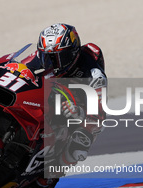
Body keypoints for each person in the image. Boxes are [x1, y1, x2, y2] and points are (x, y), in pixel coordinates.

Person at [27, 23, 107, 167]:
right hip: (46, 96)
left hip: (75, 109)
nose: (51, 62)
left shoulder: (93, 74)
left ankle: (51, 174)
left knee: (80, 143)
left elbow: (99, 115)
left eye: (59, 57)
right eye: (47, 57)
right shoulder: (40, 56)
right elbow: (18, 68)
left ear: (73, 52)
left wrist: (79, 112)